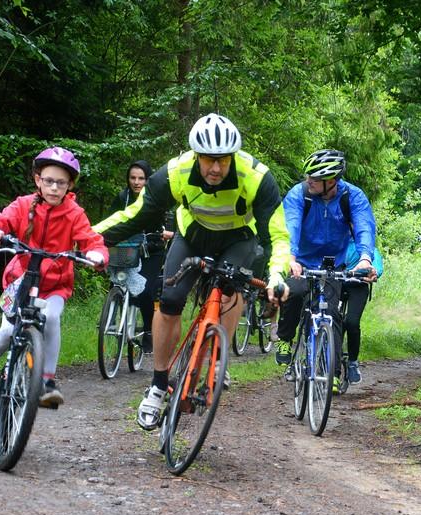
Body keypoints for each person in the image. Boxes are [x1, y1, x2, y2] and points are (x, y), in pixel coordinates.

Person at [93, 113, 291, 430]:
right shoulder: (176, 172)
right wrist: (89, 239)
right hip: (192, 236)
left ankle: (218, 358)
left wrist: (277, 274)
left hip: (238, 239)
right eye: (209, 159)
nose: (216, 168)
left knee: (230, 286)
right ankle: (158, 385)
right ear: (196, 155)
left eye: (223, 160)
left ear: (234, 156)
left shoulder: (256, 176)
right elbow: (135, 215)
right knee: (169, 301)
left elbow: (277, 235)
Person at [0, 147, 108, 408]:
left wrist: (97, 254)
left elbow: (91, 240)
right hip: (21, 280)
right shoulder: (23, 205)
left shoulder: (74, 214)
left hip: (55, 286)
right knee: (6, 333)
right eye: (49, 180)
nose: (54, 187)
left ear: (70, 185)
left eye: (61, 183)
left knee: (51, 318)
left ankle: (46, 382)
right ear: (38, 180)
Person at [274, 149, 377, 389]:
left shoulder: (352, 196)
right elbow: (290, 225)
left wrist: (365, 258)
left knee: (331, 313)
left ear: (331, 181)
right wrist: (290, 256)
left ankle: (332, 373)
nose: (308, 180)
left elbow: (364, 227)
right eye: (308, 175)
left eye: (315, 178)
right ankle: (285, 338)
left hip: (332, 264)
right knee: (295, 293)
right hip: (301, 260)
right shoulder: (300, 194)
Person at [109, 160, 174, 353]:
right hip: (127, 248)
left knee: (145, 291)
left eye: (141, 178)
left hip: (151, 250)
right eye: (133, 178)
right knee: (116, 281)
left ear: (148, 180)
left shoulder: (156, 199)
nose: (136, 182)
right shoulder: (122, 198)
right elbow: (110, 222)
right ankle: (111, 318)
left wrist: (166, 233)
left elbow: (168, 222)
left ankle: (148, 330)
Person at [341, 240, 383, 383]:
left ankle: (352, 362)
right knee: (333, 321)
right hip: (336, 282)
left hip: (358, 284)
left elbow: (375, 259)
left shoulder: (365, 243)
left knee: (352, 322)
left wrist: (374, 271)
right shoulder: (336, 237)